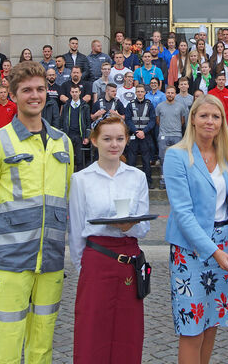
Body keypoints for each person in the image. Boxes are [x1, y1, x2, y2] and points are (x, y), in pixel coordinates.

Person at [0, 61, 73, 364]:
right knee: (5, 346)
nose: (35, 95)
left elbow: (64, 201)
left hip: (51, 261)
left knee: (42, 345)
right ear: (12, 95)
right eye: (26, 90)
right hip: (10, 261)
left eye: (40, 89)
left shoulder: (62, 142)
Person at [163, 95, 228, 364]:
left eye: (216, 117)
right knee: (191, 325)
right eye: (204, 116)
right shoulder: (176, 156)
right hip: (190, 249)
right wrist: (214, 252)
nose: (210, 121)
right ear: (192, 120)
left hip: (225, 242)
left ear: (222, 122)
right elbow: (183, 214)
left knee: (212, 321)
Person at [67, 114, 150, 363]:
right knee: (92, 329)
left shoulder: (137, 177)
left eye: (119, 138)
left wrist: (128, 228)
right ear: (94, 141)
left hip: (130, 258)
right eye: (107, 139)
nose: (114, 144)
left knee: (128, 332)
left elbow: (144, 226)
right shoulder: (80, 180)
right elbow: (76, 229)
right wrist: (84, 266)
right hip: (97, 258)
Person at [155, 86, 188, 188]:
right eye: (168, 93)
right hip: (163, 136)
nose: (170, 95)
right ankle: (163, 181)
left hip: (177, 136)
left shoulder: (181, 106)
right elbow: (158, 121)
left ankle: (176, 182)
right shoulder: (160, 106)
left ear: (175, 94)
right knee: (163, 159)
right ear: (165, 94)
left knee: (177, 160)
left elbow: (182, 121)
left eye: (172, 93)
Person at [125, 84, 156, 189]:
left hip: (145, 136)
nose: (140, 93)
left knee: (146, 160)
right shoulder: (130, 105)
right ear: (135, 92)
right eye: (138, 91)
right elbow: (128, 120)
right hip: (133, 136)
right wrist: (136, 131)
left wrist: (144, 131)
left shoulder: (150, 105)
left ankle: (148, 182)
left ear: (145, 93)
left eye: (142, 91)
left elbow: (152, 121)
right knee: (131, 161)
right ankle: (130, 183)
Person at [60, 84, 91, 172]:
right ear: (70, 93)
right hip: (68, 134)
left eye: (76, 92)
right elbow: (62, 121)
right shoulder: (66, 106)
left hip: (79, 135)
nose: (74, 94)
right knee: (68, 157)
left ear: (80, 93)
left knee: (79, 159)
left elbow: (88, 122)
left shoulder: (85, 106)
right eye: (73, 92)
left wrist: (86, 137)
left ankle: (79, 177)